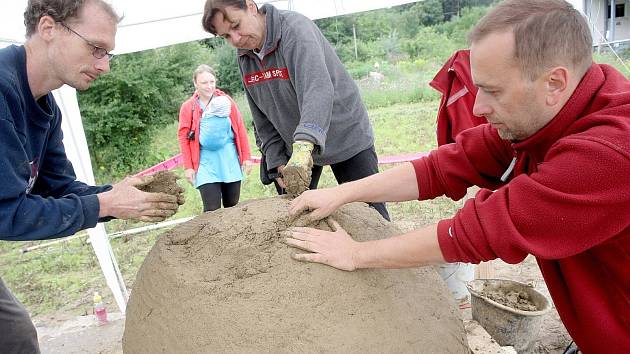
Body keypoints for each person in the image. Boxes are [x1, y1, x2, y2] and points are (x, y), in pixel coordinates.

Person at [284, 0, 630, 352]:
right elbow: (441, 168)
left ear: (555, 83)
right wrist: (342, 193)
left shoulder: (611, 154)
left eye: (494, 91)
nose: (478, 107)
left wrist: (356, 254)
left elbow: (476, 233)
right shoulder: (540, 120)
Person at [0, 0, 183, 351]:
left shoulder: (45, 107)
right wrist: (105, 204)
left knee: (15, 337)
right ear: (49, 28)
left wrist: (120, 198)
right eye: (96, 48)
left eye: (108, 53)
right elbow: (6, 213)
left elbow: (59, 188)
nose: (105, 66)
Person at [201, 0, 389, 220]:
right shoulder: (245, 53)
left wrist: (303, 147)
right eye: (226, 36)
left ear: (251, 6)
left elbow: (317, 89)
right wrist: (276, 159)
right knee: (293, 216)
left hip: (344, 133)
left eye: (235, 25)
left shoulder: (295, 30)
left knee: (371, 216)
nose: (235, 39)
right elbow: (261, 115)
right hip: (294, 144)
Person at [178, 64, 252, 212]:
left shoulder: (227, 101)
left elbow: (240, 128)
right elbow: (183, 138)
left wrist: (246, 157)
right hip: (205, 162)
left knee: (232, 205)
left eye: (212, 82)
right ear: (195, 84)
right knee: (212, 209)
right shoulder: (188, 107)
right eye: (204, 82)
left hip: (229, 159)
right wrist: (188, 167)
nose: (209, 86)